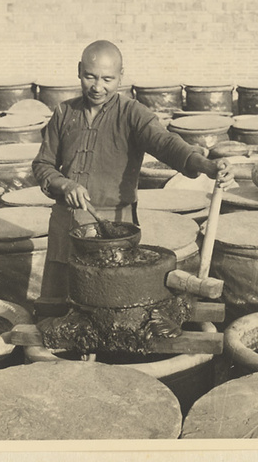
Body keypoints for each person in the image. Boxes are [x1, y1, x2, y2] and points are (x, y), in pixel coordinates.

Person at [32, 40, 235, 298]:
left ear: (121, 76)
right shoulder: (64, 112)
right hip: (65, 226)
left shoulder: (132, 114)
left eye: (108, 79)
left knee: (108, 302)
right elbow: (42, 164)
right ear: (79, 70)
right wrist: (65, 184)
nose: (97, 87)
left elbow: (166, 144)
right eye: (89, 77)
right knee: (58, 304)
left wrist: (206, 165)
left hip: (115, 228)